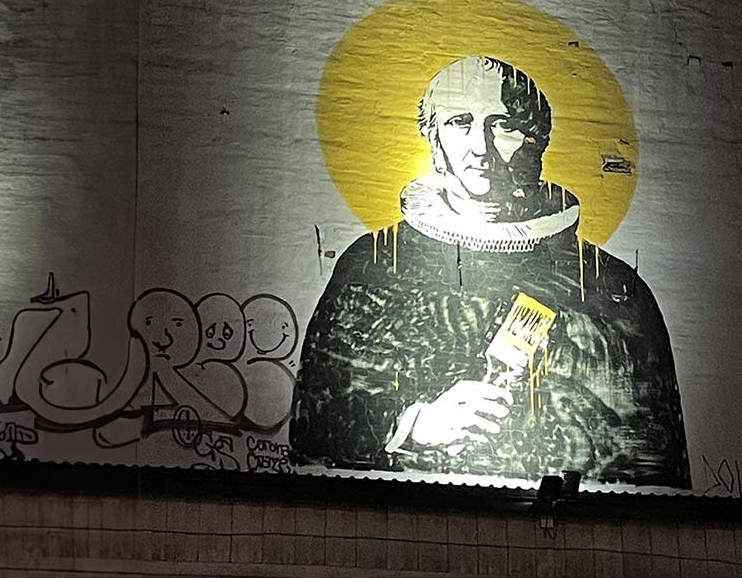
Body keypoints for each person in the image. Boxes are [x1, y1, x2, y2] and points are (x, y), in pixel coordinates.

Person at [292, 56, 689, 487]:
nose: (480, 147)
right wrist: (414, 424)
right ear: (433, 138)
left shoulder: (609, 285)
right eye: (459, 122)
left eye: (503, 125)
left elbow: (653, 457)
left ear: (537, 143)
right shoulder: (374, 264)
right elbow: (315, 426)